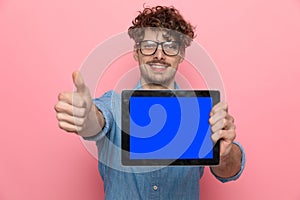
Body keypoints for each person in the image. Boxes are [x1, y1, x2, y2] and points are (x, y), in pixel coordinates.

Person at [54, 5, 245, 199]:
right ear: (136, 52)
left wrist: (226, 154)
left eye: (170, 46)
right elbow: (96, 122)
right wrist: (86, 118)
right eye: (148, 45)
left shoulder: (201, 113)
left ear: (181, 55)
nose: (159, 55)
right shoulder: (113, 105)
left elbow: (230, 170)